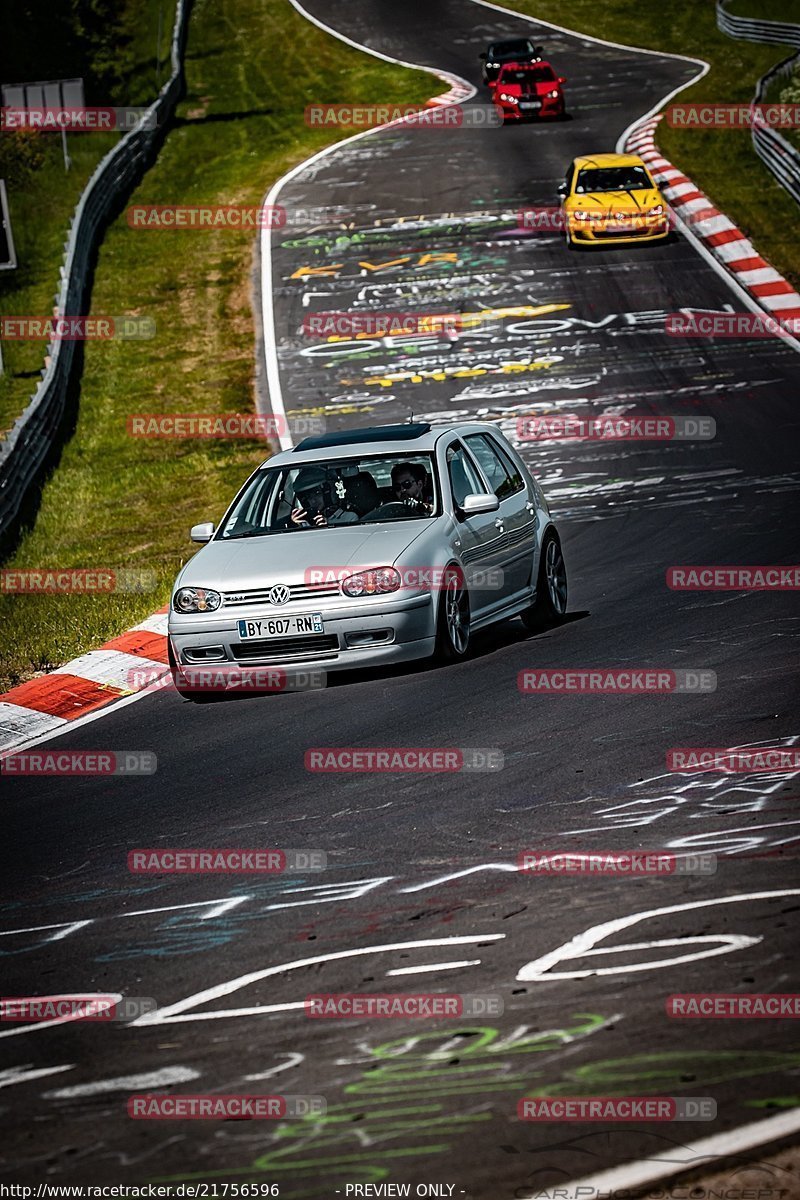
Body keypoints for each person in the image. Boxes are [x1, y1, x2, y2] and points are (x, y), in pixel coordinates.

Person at [289, 466, 358, 527]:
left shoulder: (349, 518)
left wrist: (326, 528)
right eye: (309, 497)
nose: (313, 501)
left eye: (317, 494)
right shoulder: (303, 521)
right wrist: (295, 526)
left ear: (328, 493)